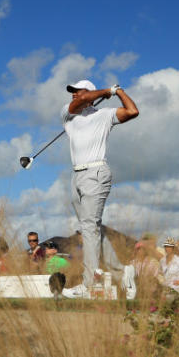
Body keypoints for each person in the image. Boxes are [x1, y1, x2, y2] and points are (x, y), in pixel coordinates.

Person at [61, 79, 138, 288]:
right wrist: (107, 91)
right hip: (76, 176)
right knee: (91, 229)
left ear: (90, 91)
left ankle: (90, 284)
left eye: (77, 91)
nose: (74, 94)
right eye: (72, 91)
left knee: (89, 227)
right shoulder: (68, 114)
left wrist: (118, 91)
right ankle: (123, 274)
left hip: (96, 172)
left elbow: (132, 111)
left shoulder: (105, 115)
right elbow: (84, 99)